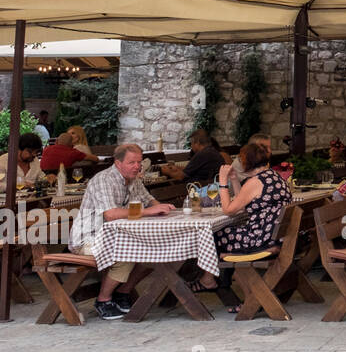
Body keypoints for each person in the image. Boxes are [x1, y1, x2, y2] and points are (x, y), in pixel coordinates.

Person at [68, 143, 175, 320]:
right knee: (124, 253)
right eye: (132, 162)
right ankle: (103, 300)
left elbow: (149, 200)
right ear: (118, 163)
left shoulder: (134, 179)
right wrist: (148, 212)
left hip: (117, 236)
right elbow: (111, 214)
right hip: (87, 239)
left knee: (157, 250)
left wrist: (162, 207)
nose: (137, 166)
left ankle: (122, 292)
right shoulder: (104, 180)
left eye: (139, 162)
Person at [189, 141, 292, 299]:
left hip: (260, 240)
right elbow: (242, 205)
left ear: (247, 162)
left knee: (213, 235)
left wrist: (223, 182)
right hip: (274, 237)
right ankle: (213, 279)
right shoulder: (273, 176)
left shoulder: (255, 182)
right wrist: (235, 180)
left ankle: (210, 281)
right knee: (223, 234)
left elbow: (229, 210)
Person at [160, 129, 224, 184]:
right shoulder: (213, 151)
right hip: (211, 185)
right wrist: (176, 167)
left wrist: (166, 171)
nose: (191, 146)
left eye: (192, 143)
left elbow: (180, 177)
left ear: (197, 143)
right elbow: (191, 169)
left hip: (199, 188)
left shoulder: (202, 154)